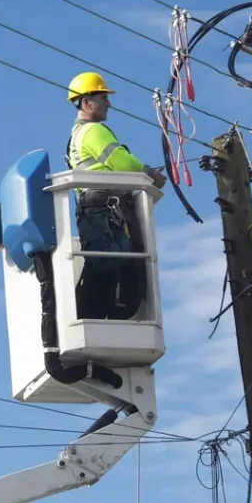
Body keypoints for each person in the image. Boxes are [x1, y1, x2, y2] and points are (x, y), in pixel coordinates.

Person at [64, 71, 167, 320]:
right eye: (103, 99)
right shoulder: (93, 131)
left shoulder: (76, 136)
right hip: (105, 210)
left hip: (95, 211)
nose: (108, 105)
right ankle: (101, 317)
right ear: (87, 103)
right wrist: (149, 174)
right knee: (118, 269)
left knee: (104, 270)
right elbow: (122, 162)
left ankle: (94, 317)